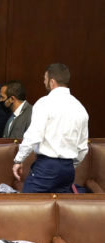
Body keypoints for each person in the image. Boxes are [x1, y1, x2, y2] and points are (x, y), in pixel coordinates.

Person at [13, 63, 88, 193]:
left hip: (47, 167)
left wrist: (19, 159)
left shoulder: (44, 103)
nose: (44, 82)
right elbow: (82, 148)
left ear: (52, 82)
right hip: (68, 169)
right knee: (60, 210)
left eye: (45, 79)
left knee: (26, 207)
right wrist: (68, 165)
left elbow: (34, 135)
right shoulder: (80, 108)